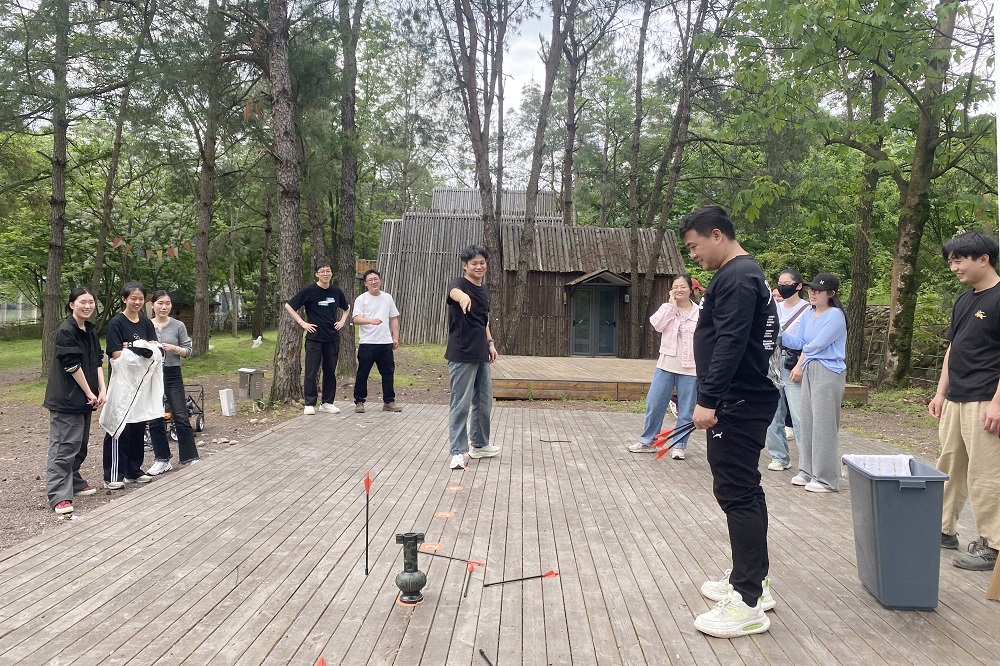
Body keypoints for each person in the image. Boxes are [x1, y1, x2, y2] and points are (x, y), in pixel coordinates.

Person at [679, 205, 779, 639]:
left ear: (716, 234)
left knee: (736, 492)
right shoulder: (742, 273)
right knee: (745, 489)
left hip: (738, 400)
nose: (693, 255)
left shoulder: (738, 277)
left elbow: (731, 342)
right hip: (743, 397)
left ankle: (747, 601)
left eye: (694, 246)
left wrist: (707, 399)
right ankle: (753, 578)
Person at [930, 231, 1000, 571]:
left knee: (985, 473)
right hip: (956, 398)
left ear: (983, 259)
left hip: (986, 399)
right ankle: (942, 529)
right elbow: (953, 348)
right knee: (948, 466)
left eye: (958, 261)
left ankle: (993, 544)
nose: (954, 268)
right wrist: (941, 392)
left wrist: (997, 403)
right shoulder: (964, 300)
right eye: (951, 262)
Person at [781, 273, 847, 493]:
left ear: (831, 294)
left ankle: (826, 479)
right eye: (811, 289)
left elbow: (817, 344)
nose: (813, 293)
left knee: (824, 424)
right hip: (810, 368)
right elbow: (799, 341)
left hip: (828, 371)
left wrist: (801, 351)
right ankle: (807, 471)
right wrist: (778, 335)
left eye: (818, 290)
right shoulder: (808, 313)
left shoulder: (835, 315)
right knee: (807, 421)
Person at [43, 287, 106, 514]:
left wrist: (102, 389)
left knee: (80, 445)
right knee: (64, 445)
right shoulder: (66, 330)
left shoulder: (89, 329)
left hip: (86, 397)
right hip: (67, 398)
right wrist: (89, 392)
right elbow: (72, 365)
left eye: (91, 302)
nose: (87, 306)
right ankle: (59, 495)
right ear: (71, 305)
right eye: (82, 302)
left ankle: (74, 481)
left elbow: (97, 360)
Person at [629, 274, 699, 459]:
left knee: (686, 410)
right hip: (666, 365)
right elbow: (657, 325)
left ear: (690, 289)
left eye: (683, 286)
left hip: (691, 368)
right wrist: (671, 306)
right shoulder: (667, 308)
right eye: (675, 287)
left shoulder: (700, 313)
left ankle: (679, 446)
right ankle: (648, 441)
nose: (679, 290)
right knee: (654, 403)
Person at [100, 281, 161, 488]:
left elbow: (155, 351)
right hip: (122, 384)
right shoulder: (116, 323)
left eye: (140, 298)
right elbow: (116, 354)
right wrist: (140, 349)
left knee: (138, 424)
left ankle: (133, 470)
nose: (137, 302)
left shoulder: (146, 323)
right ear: (124, 299)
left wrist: (133, 347)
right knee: (120, 425)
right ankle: (113, 475)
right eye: (133, 298)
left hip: (142, 383)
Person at [445, 245, 500, 470]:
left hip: (481, 352)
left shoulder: (484, 290)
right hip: (461, 353)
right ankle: (458, 451)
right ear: (465, 265)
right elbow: (454, 293)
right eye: (474, 263)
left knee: (484, 402)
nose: (479, 266)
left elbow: (483, 321)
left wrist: (490, 343)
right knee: (461, 404)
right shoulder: (459, 284)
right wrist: (463, 298)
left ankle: (479, 445)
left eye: (482, 263)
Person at [284, 261, 351, 415]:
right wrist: (302, 323)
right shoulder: (309, 291)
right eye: (322, 271)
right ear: (317, 274)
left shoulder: (336, 291)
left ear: (331, 273)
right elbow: (289, 306)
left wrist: (342, 321)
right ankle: (309, 403)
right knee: (311, 371)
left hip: (332, 338)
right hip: (314, 338)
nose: (325, 274)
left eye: (328, 271)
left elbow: (346, 308)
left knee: (330, 371)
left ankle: (327, 402)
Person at [146, 291, 200, 474]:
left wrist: (174, 348)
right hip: (152, 374)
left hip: (172, 373)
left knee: (181, 415)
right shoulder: (145, 325)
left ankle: (190, 456)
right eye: (160, 303)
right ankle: (162, 459)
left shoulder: (178, 325)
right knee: (155, 417)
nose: (164, 307)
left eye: (167, 303)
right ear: (152, 305)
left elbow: (188, 351)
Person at [764, 270, 810, 471]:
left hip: (793, 362)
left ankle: (807, 463)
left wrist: (800, 365)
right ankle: (779, 456)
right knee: (773, 413)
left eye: (787, 283)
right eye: (780, 283)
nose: (782, 286)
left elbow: (809, 342)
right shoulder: (775, 308)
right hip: (772, 361)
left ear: (798, 286)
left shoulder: (807, 309)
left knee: (799, 415)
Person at [352, 270, 402, 413]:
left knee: (388, 373)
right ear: (365, 283)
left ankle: (389, 401)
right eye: (370, 280)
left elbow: (393, 318)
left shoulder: (387, 298)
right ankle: (359, 402)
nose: (374, 282)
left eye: (376, 279)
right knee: (363, 373)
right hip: (367, 342)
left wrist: (395, 337)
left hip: (385, 342)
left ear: (380, 280)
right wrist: (371, 321)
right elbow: (356, 318)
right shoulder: (361, 299)